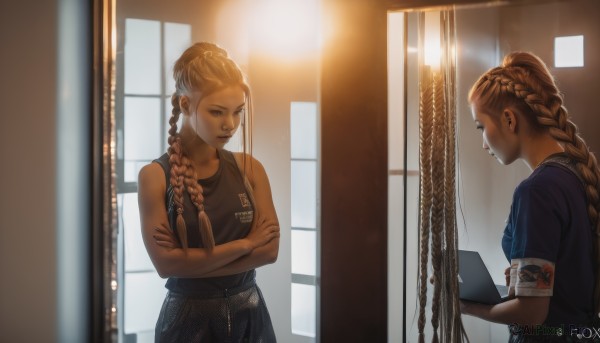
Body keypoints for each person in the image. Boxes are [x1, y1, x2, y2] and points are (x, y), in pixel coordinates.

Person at [137, 42, 280, 342]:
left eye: (237, 112)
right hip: (187, 323)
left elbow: (269, 251)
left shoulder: (249, 168)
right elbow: (166, 265)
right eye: (217, 112)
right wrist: (246, 244)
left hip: (250, 317)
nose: (230, 125)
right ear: (186, 105)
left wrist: (192, 262)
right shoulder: (155, 177)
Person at [461, 51, 600, 342]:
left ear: (509, 120)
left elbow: (532, 314)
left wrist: (468, 306)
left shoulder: (537, 191)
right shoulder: (577, 175)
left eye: (481, 127)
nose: (484, 143)